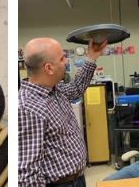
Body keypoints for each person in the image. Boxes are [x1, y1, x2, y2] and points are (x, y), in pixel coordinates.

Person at [18, 38, 106, 187]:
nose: (66, 61)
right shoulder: (28, 108)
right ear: (49, 68)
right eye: (62, 58)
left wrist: (91, 57)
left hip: (76, 179)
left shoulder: (54, 90)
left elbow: (77, 88)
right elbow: (27, 175)